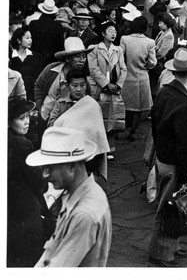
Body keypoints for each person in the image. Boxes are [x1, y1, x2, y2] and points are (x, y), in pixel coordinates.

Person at [26, 127, 112, 267]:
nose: (45, 175)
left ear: (72, 166)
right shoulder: (80, 194)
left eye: (50, 168)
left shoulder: (84, 214)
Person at [148, 48, 187, 267]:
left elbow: (153, 125)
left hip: (162, 158)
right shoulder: (186, 104)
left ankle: (172, 248)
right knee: (169, 210)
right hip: (174, 164)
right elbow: (185, 144)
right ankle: (160, 253)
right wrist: (185, 173)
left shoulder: (163, 93)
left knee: (170, 207)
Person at [8, 98, 46, 267]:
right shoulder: (23, 144)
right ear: (9, 121)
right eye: (21, 118)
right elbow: (37, 181)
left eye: (28, 117)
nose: (27, 122)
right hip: (25, 205)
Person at [87, 21, 127, 158]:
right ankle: (97, 148)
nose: (113, 34)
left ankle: (110, 147)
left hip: (114, 88)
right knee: (98, 117)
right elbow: (94, 69)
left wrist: (118, 84)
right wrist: (106, 84)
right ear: (103, 33)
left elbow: (123, 68)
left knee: (113, 115)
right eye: (110, 31)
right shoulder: (94, 49)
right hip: (99, 87)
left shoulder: (118, 49)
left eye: (115, 31)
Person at [120, 16, 157, 140]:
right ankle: (133, 131)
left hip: (127, 76)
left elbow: (120, 56)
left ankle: (122, 128)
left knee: (125, 105)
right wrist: (145, 66)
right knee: (138, 108)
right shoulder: (150, 42)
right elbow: (153, 62)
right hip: (142, 76)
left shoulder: (125, 39)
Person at [9, 27, 44, 101]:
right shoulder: (10, 58)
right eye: (27, 38)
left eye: (31, 38)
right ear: (19, 40)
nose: (30, 40)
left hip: (33, 95)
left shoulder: (36, 57)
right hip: (15, 95)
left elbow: (40, 78)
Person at [29, 0, 65, 66]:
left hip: (36, 59)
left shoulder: (33, 24)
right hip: (52, 60)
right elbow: (60, 45)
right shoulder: (57, 25)